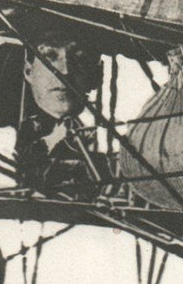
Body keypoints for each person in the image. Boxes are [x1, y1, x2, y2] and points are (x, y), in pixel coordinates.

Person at [13, 33, 111, 200]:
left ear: (97, 74)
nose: (65, 71)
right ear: (28, 71)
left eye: (80, 58)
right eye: (50, 57)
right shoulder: (2, 140)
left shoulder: (112, 140)